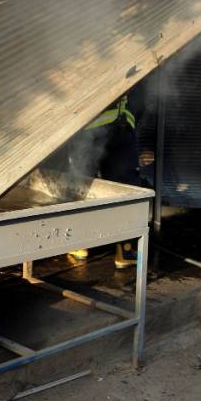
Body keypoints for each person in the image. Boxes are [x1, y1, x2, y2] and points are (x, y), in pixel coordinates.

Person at [66, 89, 144, 268]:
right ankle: (125, 250)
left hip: (88, 128)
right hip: (121, 126)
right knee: (124, 189)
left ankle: (80, 244)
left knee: (82, 185)